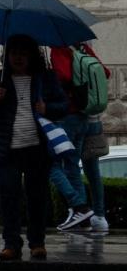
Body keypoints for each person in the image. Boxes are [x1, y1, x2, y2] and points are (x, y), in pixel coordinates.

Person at [0, 34, 67, 261]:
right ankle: (11, 243)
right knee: (9, 197)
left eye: (23, 53)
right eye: (14, 53)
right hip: (7, 150)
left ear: (32, 56)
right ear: (7, 56)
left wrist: (47, 109)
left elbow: (63, 105)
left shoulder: (45, 78)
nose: (18, 58)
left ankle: (37, 242)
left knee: (37, 198)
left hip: (37, 149)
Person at [46, 43, 105, 232]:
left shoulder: (59, 48)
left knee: (55, 163)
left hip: (68, 114)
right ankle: (90, 216)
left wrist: (50, 77)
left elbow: (64, 75)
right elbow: (105, 72)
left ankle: (80, 209)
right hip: (86, 115)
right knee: (82, 167)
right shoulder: (82, 47)